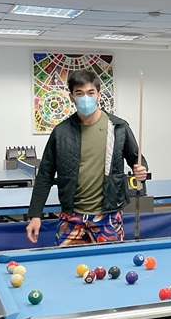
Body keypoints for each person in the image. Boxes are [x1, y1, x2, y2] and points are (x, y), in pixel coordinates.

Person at [26, 69, 148, 246]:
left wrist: (142, 170)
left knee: (109, 262)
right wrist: (35, 214)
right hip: (71, 217)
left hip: (108, 216)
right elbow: (45, 174)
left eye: (90, 93)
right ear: (71, 97)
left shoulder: (118, 127)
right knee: (67, 263)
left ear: (99, 95)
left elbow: (137, 160)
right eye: (79, 93)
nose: (86, 98)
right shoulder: (61, 132)